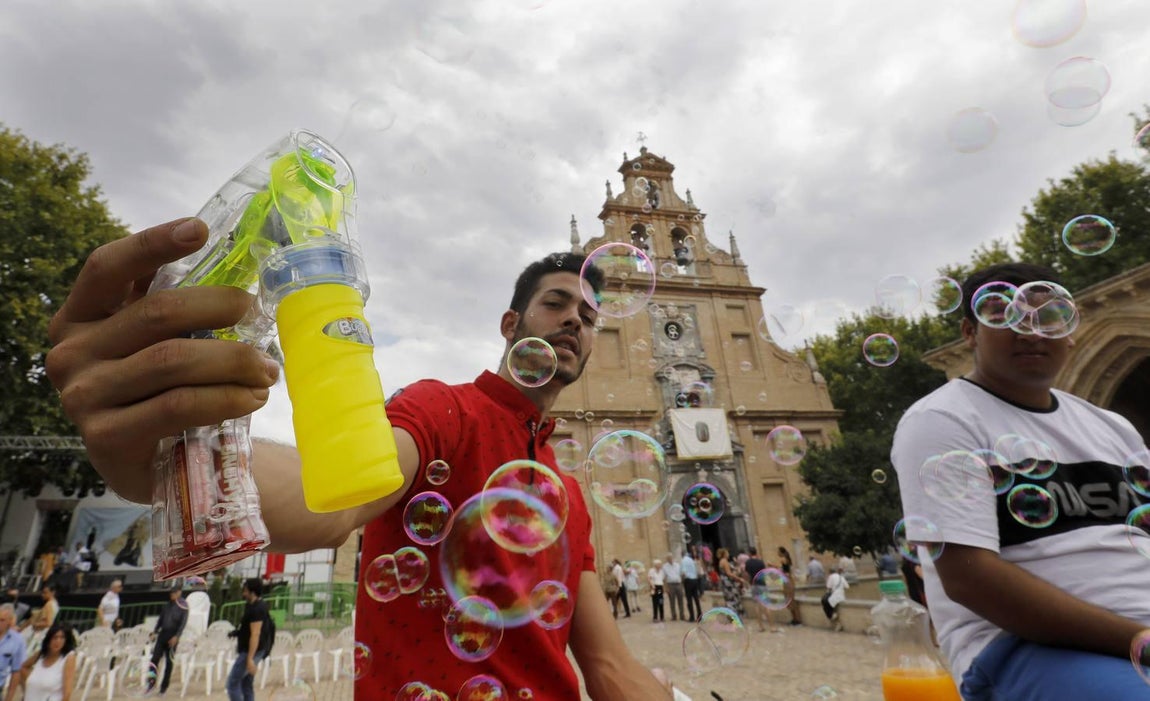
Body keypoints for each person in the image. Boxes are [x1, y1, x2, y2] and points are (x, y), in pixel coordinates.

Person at [45, 221, 674, 700]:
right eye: (557, 303)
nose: (574, 321)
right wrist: (168, 456)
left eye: (589, 316)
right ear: (511, 323)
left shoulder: (564, 490)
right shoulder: (444, 412)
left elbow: (608, 665)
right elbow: (333, 499)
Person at [890, 262, 1150, 700]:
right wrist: (1138, 640)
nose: (1031, 332)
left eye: (1047, 318)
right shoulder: (942, 420)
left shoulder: (1113, 427)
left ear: (1069, 331)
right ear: (969, 332)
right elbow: (970, 580)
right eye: (1006, 316)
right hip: (1020, 649)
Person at [226, 579, 270, 701]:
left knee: (232, 684)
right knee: (246, 684)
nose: (243, 594)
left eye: (245, 591)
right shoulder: (251, 605)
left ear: (253, 592)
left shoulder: (257, 609)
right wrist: (237, 633)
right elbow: (248, 628)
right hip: (251, 649)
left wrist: (250, 659)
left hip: (251, 651)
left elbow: (255, 634)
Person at [10, 623, 77, 701]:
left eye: (62, 638)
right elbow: (23, 667)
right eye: (55, 638)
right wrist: (27, 689)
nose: (58, 641)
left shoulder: (68, 658)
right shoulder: (41, 654)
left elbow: (67, 693)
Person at [149, 583, 188, 696]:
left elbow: (183, 623)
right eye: (171, 593)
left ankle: (163, 688)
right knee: (154, 659)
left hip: (173, 635)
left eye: (174, 592)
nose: (172, 595)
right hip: (163, 634)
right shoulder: (167, 605)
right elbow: (160, 620)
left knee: (169, 662)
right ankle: (151, 684)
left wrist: (177, 636)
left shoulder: (183, 606)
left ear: (179, 593)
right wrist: (155, 631)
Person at [743, 547, 774, 632]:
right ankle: (772, 626)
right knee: (766, 605)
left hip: (754, 585)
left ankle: (761, 626)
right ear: (756, 553)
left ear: (749, 553)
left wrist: (747, 583)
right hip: (762, 584)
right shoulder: (760, 562)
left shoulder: (748, 563)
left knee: (757, 606)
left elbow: (747, 574)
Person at [0, 605, 27, 697]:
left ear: (9, 621)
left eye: (2, 620)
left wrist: (9, 697)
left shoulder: (17, 641)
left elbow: (16, 671)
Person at [776, 546, 802, 626]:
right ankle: (795, 619)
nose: (777, 553)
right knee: (790, 600)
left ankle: (797, 620)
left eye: (778, 551)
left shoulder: (783, 559)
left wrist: (772, 565)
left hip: (787, 581)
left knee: (790, 600)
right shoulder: (787, 559)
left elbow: (782, 570)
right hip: (788, 581)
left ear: (781, 552)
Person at [716, 548, 745, 617]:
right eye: (727, 553)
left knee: (729, 598)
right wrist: (739, 579)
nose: (728, 554)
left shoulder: (721, 561)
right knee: (732, 598)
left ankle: (731, 614)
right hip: (728, 582)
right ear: (725, 554)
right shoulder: (724, 561)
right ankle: (734, 615)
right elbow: (729, 573)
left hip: (724, 581)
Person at [823, 567, 848, 632]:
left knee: (825, 602)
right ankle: (837, 623)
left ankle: (832, 617)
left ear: (830, 572)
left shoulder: (831, 576)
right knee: (835, 609)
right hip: (842, 597)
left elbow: (828, 587)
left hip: (834, 597)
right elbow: (847, 586)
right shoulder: (841, 577)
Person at [661, 555, 685, 622]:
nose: (670, 559)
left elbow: (681, 574)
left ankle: (682, 615)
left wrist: (682, 584)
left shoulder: (677, 565)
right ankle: (673, 615)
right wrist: (666, 587)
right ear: (667, 559)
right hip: (670, 585)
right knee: (672, 601)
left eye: (671, 558)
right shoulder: (665, 566)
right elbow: (664, 578)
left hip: (678, 584)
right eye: (668, 558)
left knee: (681, 600)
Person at [680, 549, 702, 622]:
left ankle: (692, 617)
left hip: (688, 581)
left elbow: (683, 573)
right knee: (696, 599)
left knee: (689, 600)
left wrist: (682, 580)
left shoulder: (683, 561)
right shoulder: (691, 560)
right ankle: (700, 615)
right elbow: (696, 570)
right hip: (695, 580)